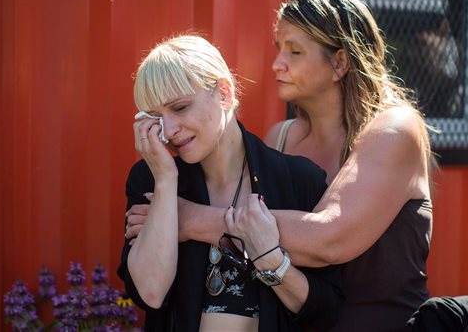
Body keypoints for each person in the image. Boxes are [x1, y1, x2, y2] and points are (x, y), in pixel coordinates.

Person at [126, 0, 433, 331]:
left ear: (340, 62)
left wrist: (189, 220)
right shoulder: (281, 139)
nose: (277, 63)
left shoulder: (394, 129)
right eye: (279, 48)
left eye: (295, 51)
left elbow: (327, 240)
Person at [117, 34, 344, 332]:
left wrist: (267, 257)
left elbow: (325, 308)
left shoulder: (299, 180)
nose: (169, 131)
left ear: (223, 93)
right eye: (156, 117)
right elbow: (150, 294)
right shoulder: (149, 180)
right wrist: (165, 179)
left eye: (180, 107)